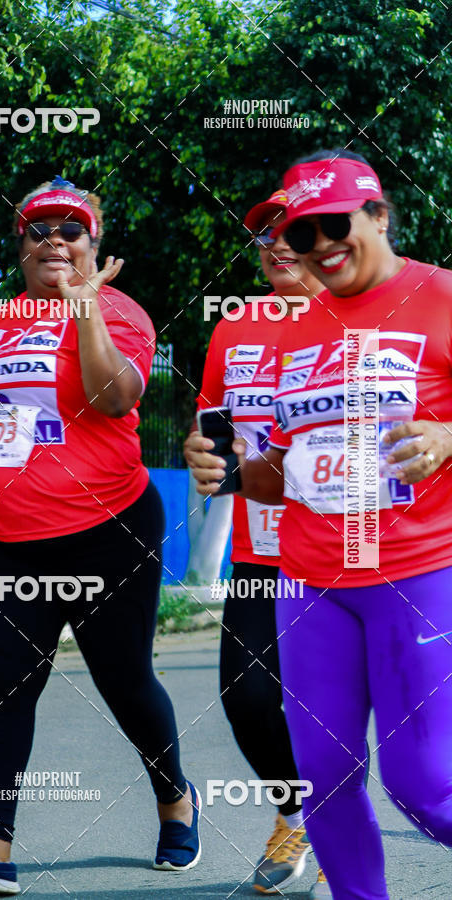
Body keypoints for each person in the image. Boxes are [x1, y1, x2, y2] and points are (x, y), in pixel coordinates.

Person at [187, 149, 452, 900]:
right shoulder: (291, 330)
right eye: (301, 237)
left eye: (334, 225)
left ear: (378, 214)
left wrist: (447, 438)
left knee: (424, 788)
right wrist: (232, 472)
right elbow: (281, 471)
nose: (318, 247)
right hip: (308, 583)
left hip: (415, 575)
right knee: (327, 785)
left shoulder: (439, 297)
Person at [0, 176, 201, 895]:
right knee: (5, 688)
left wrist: (85, 314)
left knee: (125, 681)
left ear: (94, 246)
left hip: (108, 532)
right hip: (10, 540)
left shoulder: (120, 311)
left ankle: (176, 800)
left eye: (72, 229)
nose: (56, 237)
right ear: (20, 244)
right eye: (40, 227)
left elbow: (118, 397)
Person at [185, 190, 332, 899]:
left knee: (331, 704)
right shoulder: (235, 326)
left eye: (290, 231)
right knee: (246, 696)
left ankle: (342, 824)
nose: (275, 243)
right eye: (265, 234)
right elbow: (211, 424)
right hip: (259, 547)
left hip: (345, 550)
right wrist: (201, 453)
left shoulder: (358, 316)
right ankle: (297, 809)